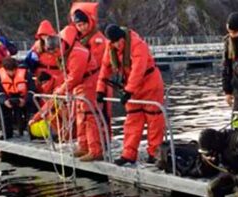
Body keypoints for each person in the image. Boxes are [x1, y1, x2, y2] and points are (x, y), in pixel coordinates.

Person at [98, 24, 165, 166]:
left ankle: (154, 153)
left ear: (122, 37)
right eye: (114, 42)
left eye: (118, 41)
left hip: (150, 84)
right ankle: (128, 154)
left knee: (154, 120)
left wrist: (128, 91)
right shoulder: (110, 47)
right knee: (132, 120)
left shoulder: (138, 45)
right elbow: (105, 67)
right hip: (132, 88)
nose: (116, 45)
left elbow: (138, 70)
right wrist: (100, 89)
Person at [45, 25, 102, 162]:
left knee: (89, 117)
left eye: (54, 52)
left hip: (89, 83)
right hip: (80, 86)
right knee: (80, 116)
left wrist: (61, 90)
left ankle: (95, 150)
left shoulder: (77, 53)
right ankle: (83, 146)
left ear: (58, 47)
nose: (54, 56)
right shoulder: (68, 52)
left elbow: (74, 77)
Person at [70, 2, 113, 128]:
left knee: (102, 114)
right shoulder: (79, 40)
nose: (81, 27)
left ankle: (105, 142)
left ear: (89, 22)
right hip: (84, 84)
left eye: (83, 24)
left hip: (98, 82)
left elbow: (99, 62)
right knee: (85, 117)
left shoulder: (97, 39)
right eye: (78, 25)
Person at [0, 57, 36, 139]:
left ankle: (32, 132)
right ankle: (6, 132)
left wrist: (25, 100)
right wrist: (4, 101)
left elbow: (32, 90)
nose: (11, 73)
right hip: (7, 98)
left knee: (32, 107)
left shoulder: (26, 73)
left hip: (23, 98)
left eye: (13, 70)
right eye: (9, 71)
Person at [25, 20, 64, 94]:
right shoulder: (37, 45)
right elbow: (30, 59)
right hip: (41, 74)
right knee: (41, 94)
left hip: (56, 73)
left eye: (46, 34)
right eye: (42, 35)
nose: (44, 37)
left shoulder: (58, 43)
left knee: (56, 94)